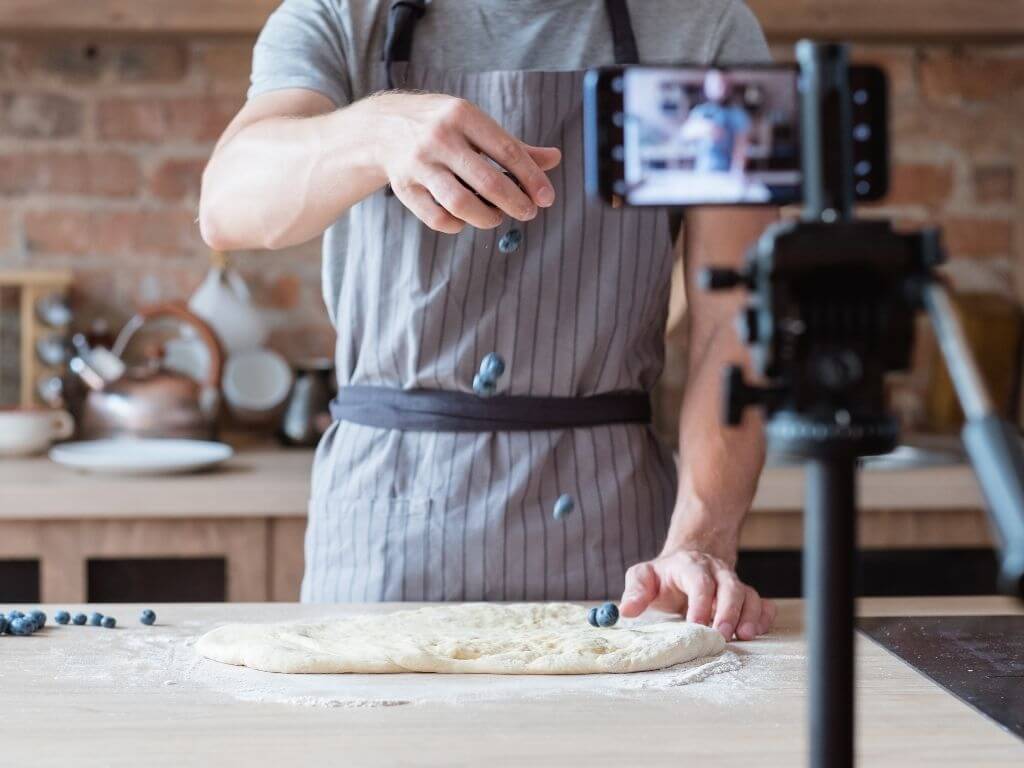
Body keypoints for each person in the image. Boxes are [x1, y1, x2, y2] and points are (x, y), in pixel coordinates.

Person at [200, 0, 777, 642]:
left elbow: (735, 320)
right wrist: (376, 132)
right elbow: (227, 205)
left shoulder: (704, 28)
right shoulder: (340, 15)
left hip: (623, 556)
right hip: (381, 533)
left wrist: (700, 541)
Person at [682, 69, 752, 173]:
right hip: (702, 172)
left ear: (729, 86)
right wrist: (704, 128)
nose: (718, 88)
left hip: (727, 173)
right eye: (713, 83)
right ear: (707, 87)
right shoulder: (700, 111)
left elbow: (741, 147)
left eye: (721, 84)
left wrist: (737, 171)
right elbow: (685, 134)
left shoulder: (738, 114)